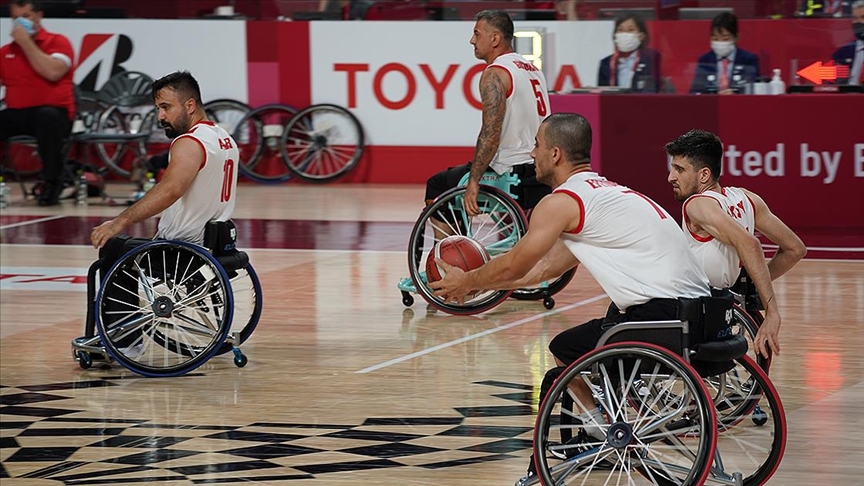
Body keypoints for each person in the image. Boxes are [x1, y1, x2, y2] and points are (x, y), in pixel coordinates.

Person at [429, 113, 711, 485]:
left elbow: (517, 262)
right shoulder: (603, 193)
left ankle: (598, 428)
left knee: (564, 347)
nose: (532, 154)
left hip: (662, 318)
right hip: (702, 313)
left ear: (556, 153)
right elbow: (546, 268)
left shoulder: (562, 202)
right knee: (570, 345)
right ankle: (596, 424)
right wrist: (486, 285)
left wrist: (467, 281)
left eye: (537, 146)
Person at [665, 129, 807, 358]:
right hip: (724, 298)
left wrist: (772, 311)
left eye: (679, 169)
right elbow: (795, 249)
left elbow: (749, 244)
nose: (671, 177)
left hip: (694, 303)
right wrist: (751, 288)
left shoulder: (697, 205)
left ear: (703, 175)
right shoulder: (747, 198)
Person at [91, 70, 239, 251]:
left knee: (111, 248)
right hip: (218, 243)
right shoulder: (224, 138)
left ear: (190, 105)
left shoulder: (190, 141)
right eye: (158, 108)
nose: (160, 116)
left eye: (166, 107)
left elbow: (170, 190)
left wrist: (119, 222)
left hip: (183, 247)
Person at [425, 10, 551, 217]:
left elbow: (490, 135)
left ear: (495, 39)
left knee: (437, 186)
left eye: (477, 34)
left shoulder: (495, 74)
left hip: (511, 171)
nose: (471, 40)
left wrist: (474, 180)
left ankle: (452, 248)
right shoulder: (533, 69)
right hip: (538, 170)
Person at [0, 0, 75, 206]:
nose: (20, 22)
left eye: (26, 16)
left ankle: (52, 182)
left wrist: (26, 43)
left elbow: (53, 72)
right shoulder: (6, 51)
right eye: (15, 18)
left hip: (55, 113)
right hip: (17, 113)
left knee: (46, 118)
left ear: (38, 16)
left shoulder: (58, 42)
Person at [689, 12, 760, 94]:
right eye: (715, 38)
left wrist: (735, 95)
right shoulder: (705, 60)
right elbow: (694, 92)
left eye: (725, 39)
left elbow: (753, 89)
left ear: (736, 38)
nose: (720, 42)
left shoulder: (748, 59)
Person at [597, 14, 661, 93]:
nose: (624, 34)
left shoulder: (651, 58)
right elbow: (601, 94)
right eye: (620, 30)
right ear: (615, 36)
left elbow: (655, 89)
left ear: (641, 36)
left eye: (630, 30)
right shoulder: (606, 63)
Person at [831, 0, 864, 85]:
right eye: (855, 18)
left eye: (863, 17)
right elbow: (835, 85)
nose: (858, 22)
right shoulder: (844, 53)